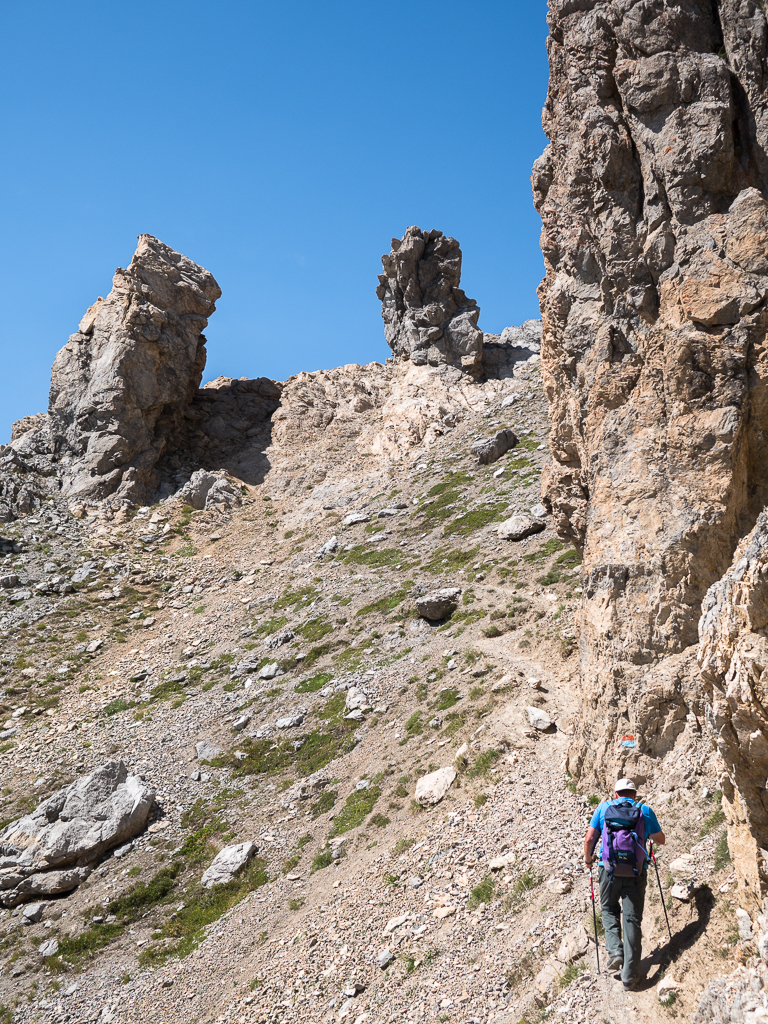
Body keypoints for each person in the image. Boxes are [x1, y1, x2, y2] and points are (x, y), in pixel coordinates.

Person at [583, 778, 665, 990]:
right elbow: (660, 839)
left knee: (609, 908)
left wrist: (588, 860)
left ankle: (615, 951)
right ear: (634, 794)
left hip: (608, 869)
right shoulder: (644, 810)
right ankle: (629, 976)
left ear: (615, 793)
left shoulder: (603, 808)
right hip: (636, 873)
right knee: (632, 919)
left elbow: (589, 839)